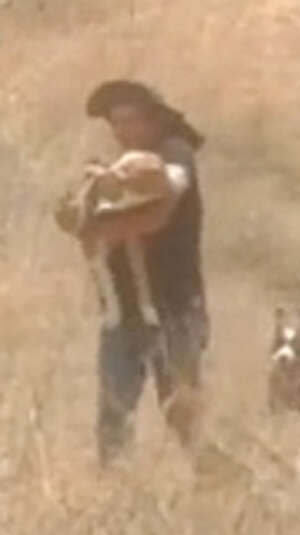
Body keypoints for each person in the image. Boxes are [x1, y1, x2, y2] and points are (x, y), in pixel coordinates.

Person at [80, 80, 211, 467]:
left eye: (130, 120)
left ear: (152, 120)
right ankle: (113, 500)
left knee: (183, 414)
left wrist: (104, 224)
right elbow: (76, 215)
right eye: (115, 123)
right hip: (124, 313)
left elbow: (158, 208)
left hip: (173, 309)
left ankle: (224, 485)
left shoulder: (174, 156)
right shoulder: (120, 165)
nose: (122, 130)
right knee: (114, 415)